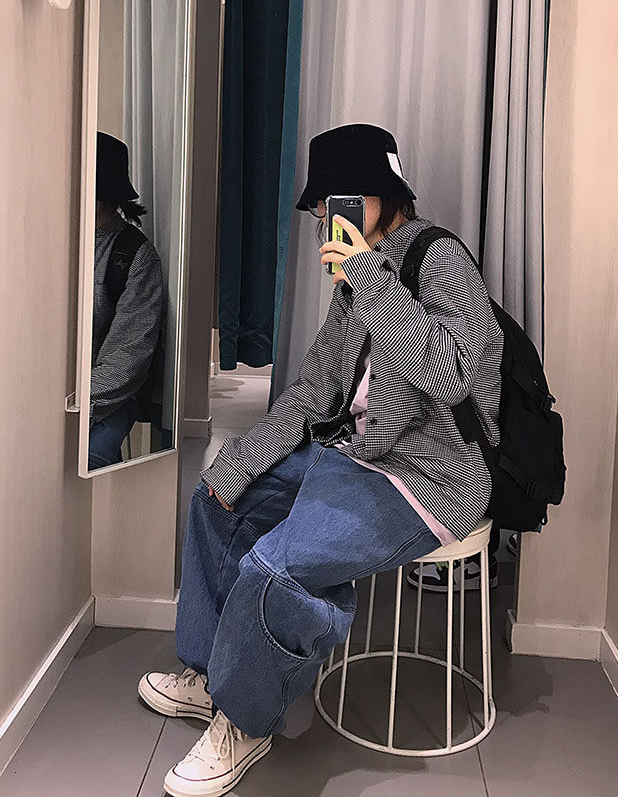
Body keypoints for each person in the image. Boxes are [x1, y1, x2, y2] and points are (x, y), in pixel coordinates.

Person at [139, 124, 502, 796]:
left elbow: (452, 376)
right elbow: (314, 391)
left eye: (343, 201)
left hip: (431, 477)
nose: (329, 219)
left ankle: (245, 720)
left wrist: (367, 276)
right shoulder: (357, 278)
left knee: (277, 566)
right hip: (355, 454)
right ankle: (212, 675)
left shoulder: (439, 260)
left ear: (384, 196)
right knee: (218, 498)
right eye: (322, 208)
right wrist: (242, 462)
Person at [89, 132, 165, 471]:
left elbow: (127, 357)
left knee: (88, 459)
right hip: (34, 395)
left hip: (108, 396)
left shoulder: (133, 255)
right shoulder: (39, 239)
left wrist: (72, 413)